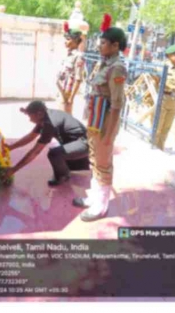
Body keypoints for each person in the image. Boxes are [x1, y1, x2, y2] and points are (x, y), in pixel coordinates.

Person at [73, 15, 127, 221]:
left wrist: (108, 133)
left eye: (103, 43)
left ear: (115, 45)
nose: (99, 46)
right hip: (96, 121)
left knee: (103, 163)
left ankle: (101, 206)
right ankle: (94, 197)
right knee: (94, 159)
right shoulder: (104, 64)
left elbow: (116, 104)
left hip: (105, 123)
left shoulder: (117, 68)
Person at [3, 100, 89, 187]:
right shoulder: (46, 115)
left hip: (84, 145)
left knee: (54, 154)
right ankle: (73, 165)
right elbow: (31, 136)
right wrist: (11, 147)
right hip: (79, 143)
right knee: (63, 156)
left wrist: (14, 169)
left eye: (30, 116)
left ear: (39, 113)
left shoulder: (49, 123)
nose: (30, 120)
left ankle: (63, 176)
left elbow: (35, 152)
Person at [154, 44, 175, 151]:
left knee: (167, 127)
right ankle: (153, 147)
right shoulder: (162, 67)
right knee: (158, 125)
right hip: (164, 98)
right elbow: (155, 82)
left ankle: (160, 148)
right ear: (169, 55)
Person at [57, 21, 86, 114]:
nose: (66, 42)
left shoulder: (78, 57)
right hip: (60, 91)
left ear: (76, 41)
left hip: (67, 94)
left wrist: (71, 98)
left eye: (68, 39)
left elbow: (78, 79)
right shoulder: (67, 55)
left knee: (65, 120)